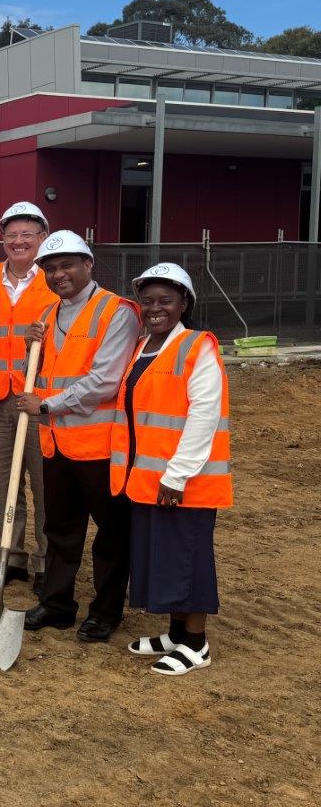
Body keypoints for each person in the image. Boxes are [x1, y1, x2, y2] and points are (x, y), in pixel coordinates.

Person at [17, 231, 142, 643]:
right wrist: (27, 350)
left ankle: (105, 612)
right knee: (61, 529)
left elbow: (104, 380)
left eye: (66, 265)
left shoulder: (117, 312)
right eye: (50, 269)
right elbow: (39, 375)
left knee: (111, 533)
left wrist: (48, 406)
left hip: (101, 447)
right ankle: (57, 605)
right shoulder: (49, 316)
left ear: (88, 264)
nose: (58, 274)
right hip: (58, 445)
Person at [111, 264, 231, 675]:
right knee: (166, 557)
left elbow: (204, 415)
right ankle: (176, 634)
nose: (155, 308)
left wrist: (177, 474)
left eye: (166, 300)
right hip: (148, 479)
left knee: (189, 558)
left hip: (184, 481)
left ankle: (196, 644)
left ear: (184, 303)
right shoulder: (145, 346)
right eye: (148, 301)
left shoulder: (199, 347)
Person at [0, 202, 58, 594]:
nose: (19, 241)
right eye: (12, 235)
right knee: (3, 484)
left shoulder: (56, 281)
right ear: (2, 239)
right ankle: (11, 556)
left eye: (28, 234)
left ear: (42, 239)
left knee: (44, 486)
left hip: (38, 400)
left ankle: (46, 561)